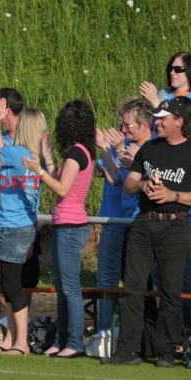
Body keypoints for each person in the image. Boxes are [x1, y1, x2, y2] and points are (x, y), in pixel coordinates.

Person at [102, 97, 191, 367]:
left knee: (170, 291)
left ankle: (166, 351)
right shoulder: (149, 148)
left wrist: (172, 193)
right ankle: (127, 350)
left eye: (163, 118)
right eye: (157, 117)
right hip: (143, 223)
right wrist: (142, 186)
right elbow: (128, 183)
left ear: (180, 122)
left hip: (175, 225)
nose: (157, 122)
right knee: (132, 288)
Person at [23, 100, 96, 358]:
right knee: (63, 287)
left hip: (70, 225)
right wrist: (48, 159)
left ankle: (74, 342)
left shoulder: (76, 153)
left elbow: (62, 189)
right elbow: (61, 180)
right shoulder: (78, 153)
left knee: (69, 288)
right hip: (65, 223)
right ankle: (62, 339)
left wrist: (39, 170)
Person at [0, 103, 45, 355]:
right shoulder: (27, 153)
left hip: (15, 227)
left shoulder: (18, 153)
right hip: (15, 225)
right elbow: (0, 150)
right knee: (10, 283)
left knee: (12, 284)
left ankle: (21, 342)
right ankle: (11, 339)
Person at [94, 98, 153, 333]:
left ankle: (147, 336)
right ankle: (105, 332)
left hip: (143, 220)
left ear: (144, 124)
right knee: (110, 277)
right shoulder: (127, 144)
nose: (123, 130)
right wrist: (106, 150)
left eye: (127, 125)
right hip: (122, 218)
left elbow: (148, 180)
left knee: (143, 281)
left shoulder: (154, 146)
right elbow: (115, 179)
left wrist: (119, 151)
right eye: (122, 125)